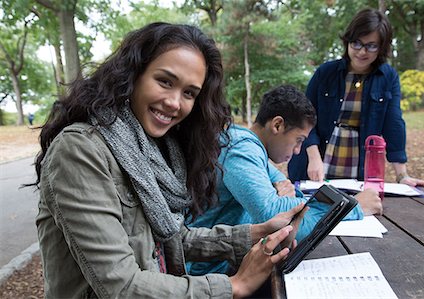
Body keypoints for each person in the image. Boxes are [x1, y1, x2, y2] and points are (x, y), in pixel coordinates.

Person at [33, 22, 307, 298]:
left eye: (189, 93)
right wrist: (234, 286)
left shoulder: (154, 148)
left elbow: (169, 239)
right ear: (133, 75)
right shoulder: (80, 150)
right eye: (165, 81)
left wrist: (255, 233)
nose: (175, 102)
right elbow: (121, 285)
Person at [187, 85, 382, 276]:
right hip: (206, 272)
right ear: (277, 125)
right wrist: (354, 208)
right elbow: (276, 220)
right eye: (298, 140)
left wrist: (280, 192)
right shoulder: (242, 149)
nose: (298, 150)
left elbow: (282, 184)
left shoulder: (244, 141)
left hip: (223, 263)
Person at [287, 8, 424, 188]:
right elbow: (304, 118)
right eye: (356, 43)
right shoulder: (325, 73)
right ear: (348, 41)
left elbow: (394, 124)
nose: (361, 52)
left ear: (381, 47)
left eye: (371, 45)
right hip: (314, 165)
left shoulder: (388, 77)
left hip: (359, 170)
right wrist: (313, 157)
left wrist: (402, 175)